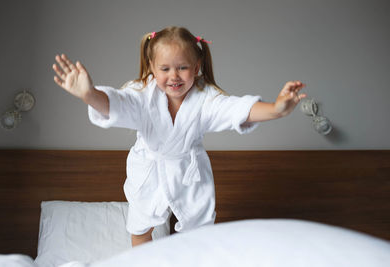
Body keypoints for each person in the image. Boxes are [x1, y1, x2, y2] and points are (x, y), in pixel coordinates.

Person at [52, 26, 306, 247]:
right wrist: (90, 95)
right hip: (149, 169)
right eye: (165, 68)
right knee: (140, 229)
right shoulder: (141, 95)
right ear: (151, 67)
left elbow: (236, 109)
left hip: (189, 171)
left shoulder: (205, 98)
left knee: (199, 231)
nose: (173, 76)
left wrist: (276, 109)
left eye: (182, 67)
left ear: (196, 67)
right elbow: (117, 104)